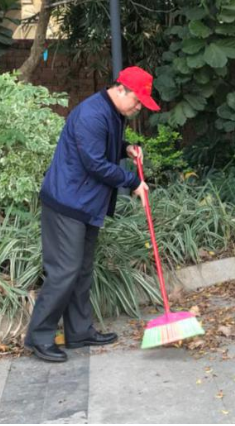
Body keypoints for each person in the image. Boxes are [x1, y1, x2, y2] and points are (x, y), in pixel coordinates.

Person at [24, 66, 160, 362]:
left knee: (82, 269)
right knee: (64, 271)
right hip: (67, 203)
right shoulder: (92, 115)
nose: (138, 108)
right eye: (138, 101)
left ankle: (79, 331)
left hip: (85, 203)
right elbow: (95, 164)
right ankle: (39, 337)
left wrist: (125, 149)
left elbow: (103, 147)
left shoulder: (113, 113)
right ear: (121, 88)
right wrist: (133, 181)